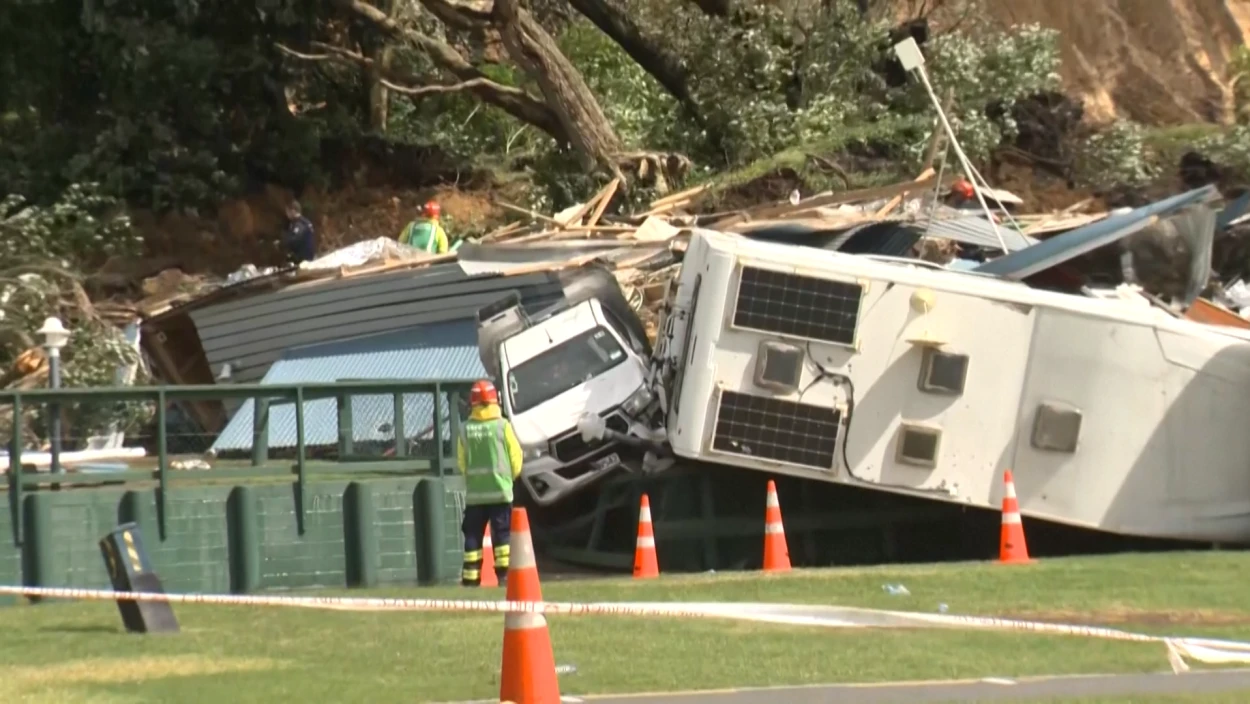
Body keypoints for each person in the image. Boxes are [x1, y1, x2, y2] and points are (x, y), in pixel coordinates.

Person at [457, 379, 523, 587]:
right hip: (501, 492)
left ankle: (470, 579)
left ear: (472, 403)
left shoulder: (465, 429)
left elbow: (462, 463)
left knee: (473, 536)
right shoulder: (503, 426)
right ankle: (504, 578)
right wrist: (508, 479)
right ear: (496, 401)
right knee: (503, 536)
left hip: (475, 495)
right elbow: (516, 458)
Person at [284, 200, 317, 264]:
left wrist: (284, 243)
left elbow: (295, 239)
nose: (287, 214)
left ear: (293, 211)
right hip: (309, 256)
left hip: (303, 258)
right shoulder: (306, 222)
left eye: (287, 212)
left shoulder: (299, 224)